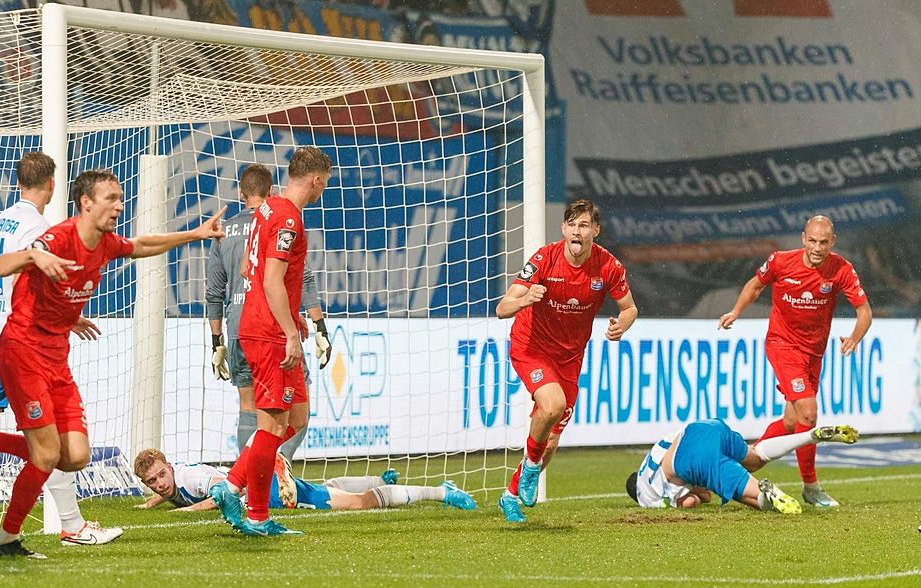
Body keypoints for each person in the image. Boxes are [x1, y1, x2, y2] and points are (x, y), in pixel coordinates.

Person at [0, 168, 224, 559]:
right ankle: (7, 540)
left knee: (77, 456)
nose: (119, 205)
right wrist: (35, 253)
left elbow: (142, 244)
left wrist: (194, 234)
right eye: (111, 199)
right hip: (22, 353)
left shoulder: (104, 243)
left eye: (120, 198)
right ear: (86, 203)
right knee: (47, 455)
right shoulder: (57, 237)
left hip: (56, 358)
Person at [0, 153, 122, 551]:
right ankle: (71, 525)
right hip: (18, 340)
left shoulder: (3, 220)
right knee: (53, 441)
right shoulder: (39, 226)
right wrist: (60, 318)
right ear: (53, 183)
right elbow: (21, 278)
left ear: (18, 181)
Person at [209, 146, 331, 537]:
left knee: (296, 418)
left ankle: (230, 487)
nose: (323, 190)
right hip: (268, 334)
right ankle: (254, 512)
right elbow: (270, 279)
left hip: (265, 323)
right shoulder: (288, 219)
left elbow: (248, 265)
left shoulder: (265, 210)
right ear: (315, 180)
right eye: (324, 183)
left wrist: (287, 315)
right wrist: (291, 332)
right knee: (273, 426)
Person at [495, 199, 638, 523]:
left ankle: (511, 493)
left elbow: (630, 308)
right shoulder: (544, 258)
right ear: (563, 229)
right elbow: (502, 308)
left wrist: (622, 323)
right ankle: (530, 469)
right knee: (552, 405)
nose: (577, 231)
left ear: (595, 231)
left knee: (550, 442)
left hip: (570, 357)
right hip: (531, 347)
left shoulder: (609, 267)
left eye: (584, 225)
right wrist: (524, 299)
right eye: (572, 225)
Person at [719, 215, 872, 508]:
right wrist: (736, 311)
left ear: (832, 242)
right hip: (783, 345)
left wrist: (855, 337)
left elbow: (864, 310)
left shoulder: (841, 269)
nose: (817, 248)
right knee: (809, 413)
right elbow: (755, 285)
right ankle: (811, 486)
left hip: (814, 352)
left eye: (823, 242)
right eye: (812, 241)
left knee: (792, 422)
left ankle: (747, 462)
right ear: (803, 238)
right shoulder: (780, 261)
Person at [132, 448, 475, 513]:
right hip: (261, 486)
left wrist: (188, 512)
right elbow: (172, 491)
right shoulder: (172, 483)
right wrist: (153, 500)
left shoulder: (191, 477)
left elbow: (220, 495)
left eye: (162, 475)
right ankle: (376, 476)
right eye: (153, 482)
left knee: (358, 504)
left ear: (171, 466)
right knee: (328, 487)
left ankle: (441, 491)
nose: (161, 483)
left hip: (263, 494)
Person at [625, 418, 860, 512]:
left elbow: (693, 500)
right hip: (704, 427)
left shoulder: (645, 495)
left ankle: (766, 494)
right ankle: (810, 436)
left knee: (746, 497)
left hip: (692, 457)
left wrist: (692, 496)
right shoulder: (650, 459)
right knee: (755, 457)